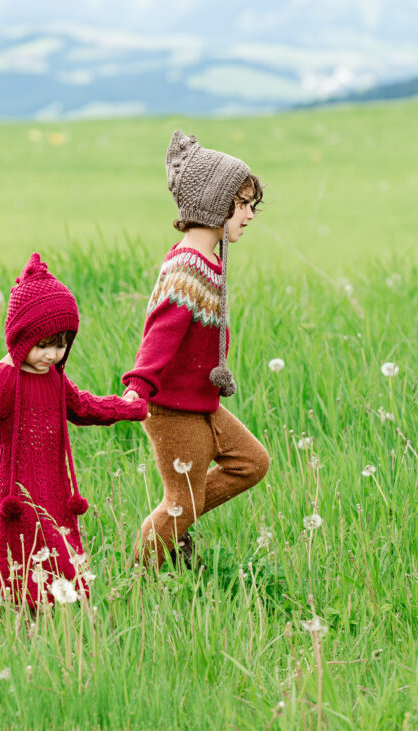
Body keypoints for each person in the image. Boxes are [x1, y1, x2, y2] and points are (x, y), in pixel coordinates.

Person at [0, 253, 147, 607]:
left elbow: (84, 407)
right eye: (43, 344)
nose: (53, 355)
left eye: (61, 345)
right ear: (19, 337)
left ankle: (46, 626)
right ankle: (15, 625)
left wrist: (129, 406)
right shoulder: (3, 377)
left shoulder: (55, 380)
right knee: (14, 562)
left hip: (54, 491)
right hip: (14, 491)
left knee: (54, 560)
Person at [122, 129, 270, 567]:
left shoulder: (207, 261)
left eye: (251, 206)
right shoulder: (188, 268)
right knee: (179, 503)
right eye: (242, 205)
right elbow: (160, 335)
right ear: (214, 205)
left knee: (251, 462)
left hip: (200, 402)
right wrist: (138, 388)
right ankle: (140, 580)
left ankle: (175, 526)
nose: (249, 215)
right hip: (172, 408)